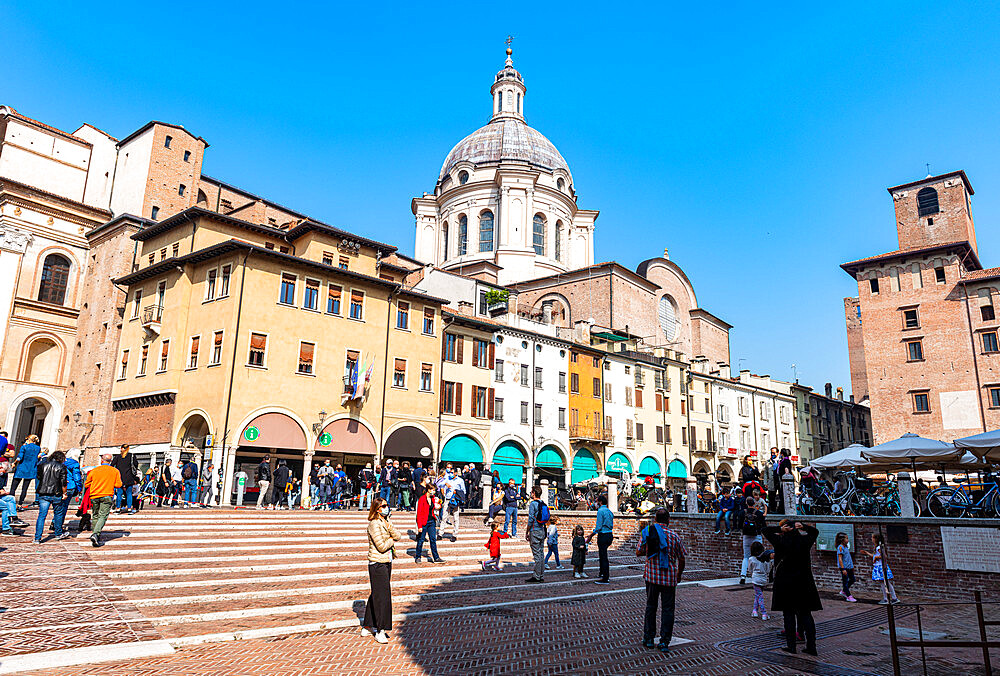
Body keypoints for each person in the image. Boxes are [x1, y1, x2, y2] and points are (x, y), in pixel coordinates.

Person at [763, 519, 821, 655]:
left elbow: (765, 530)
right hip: (803, 582)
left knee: (788, 615)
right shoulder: (805, 541)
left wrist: (780, 530)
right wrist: (804, 526)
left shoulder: (780, 542)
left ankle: (791, 646)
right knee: (806, 615)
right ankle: (811, 646)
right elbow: (815, 532)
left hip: (785, 583)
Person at [636, 507, 686, 652]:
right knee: (668, 609)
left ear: (655, 519)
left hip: (651, 576)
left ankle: (649, 638)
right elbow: (682, 558)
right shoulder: (674, 536)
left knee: (651, 606)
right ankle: (664, 641)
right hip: (669, 578)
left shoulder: (647, 532)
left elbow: (638, 551)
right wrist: (679, 574)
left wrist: (650, 550)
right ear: (669, 520)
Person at [362, 496, 402, 645]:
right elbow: (381, 546)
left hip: (387, 561)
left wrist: (390, 527)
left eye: (387, 505)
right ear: (377, 509)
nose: (386, 508)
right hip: (377, 563)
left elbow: (398, 535)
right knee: (383, 596)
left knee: (377, 594)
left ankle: (367, 624)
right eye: (383, 506)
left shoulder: (385, 522)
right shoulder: (373, 524)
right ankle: (380, 629)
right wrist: (391, 539)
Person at [85, 453, 123, 547]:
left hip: (94, 495)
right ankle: (96, 534)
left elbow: (86, 484)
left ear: (102, 460)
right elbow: (119, 485)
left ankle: (95, 533)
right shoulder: (115, 471)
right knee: (103, 516)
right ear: (110, 461)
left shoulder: (94, 470)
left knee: (95, 515)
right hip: (107, 495)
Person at [33, 450, 68, 543]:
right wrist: (65, 493)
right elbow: (63, 482)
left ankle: (37, 538)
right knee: (58, 514)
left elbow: (39, 477)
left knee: (42, 515)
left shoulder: (42, 465)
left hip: (43, 492)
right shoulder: (62, 467)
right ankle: (58, 533)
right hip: (56, 493)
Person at [860, 533, 899, 605]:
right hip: (879, 566)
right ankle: (893, 597)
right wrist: (867, 553)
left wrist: (876, 557)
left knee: (884, 583)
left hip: (880, 567)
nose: (871, 539)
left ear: (876, 539)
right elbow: (875, 555)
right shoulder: (878, 547)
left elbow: (884, 556)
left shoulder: (879, 548)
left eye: (872, 538)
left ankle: (887, 598)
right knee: (886, 583)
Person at [414, 475, 443, 564]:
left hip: (431, 521)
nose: (434, 492)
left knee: (433, 539)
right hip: (423, 521)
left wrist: (438, 506)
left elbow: (436, 507)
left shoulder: (433, 498)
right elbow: (419, 513)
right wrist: (419, 526)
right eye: (432, 490)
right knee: (421, 540)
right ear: (428, 490)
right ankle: (418, 556)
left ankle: (436, 557)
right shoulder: (422, 499)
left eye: (434, 490)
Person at [55, 448, 83, 534]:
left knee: (58, 506)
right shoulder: (74, 463)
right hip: (69, 486)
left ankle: (54, 522)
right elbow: (77, 477)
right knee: (64, 507)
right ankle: (58, 526)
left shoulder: (60, 461)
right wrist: (79, 488)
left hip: (58, 485)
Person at [587, 494, 614, 584]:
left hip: (603, 534)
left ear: (600, 502)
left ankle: (605, 577)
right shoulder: (609, 511)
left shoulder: (600, 511)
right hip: (609, 534)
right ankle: (602, 573)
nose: (596, 503)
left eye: (597, 501)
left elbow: (598, 527)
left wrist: (591, 535)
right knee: (603, 555)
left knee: (603, 556)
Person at [524, 486, 549, 583]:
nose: (530, 494)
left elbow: (530, 519)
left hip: (535, 530)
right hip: (542, 530)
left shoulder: (533, 504)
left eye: (531, 492)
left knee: (537, 554)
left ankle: (537, 576)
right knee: (541, 553)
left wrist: (527, 531)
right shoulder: (543, 503)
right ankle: (541, 574)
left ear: (534, 493)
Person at [739, 496, 766, 584]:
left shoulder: (742, 513)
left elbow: (739, 525)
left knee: (746, 557)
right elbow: (764, 526)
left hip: (746, 536)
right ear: (754, 503)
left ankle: (743, 576)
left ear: (746, 503)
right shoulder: (759, 513)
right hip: (756, 535)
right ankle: (760, 574)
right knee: (759, 555)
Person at [10, 435, 42, 506]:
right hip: (31, 470)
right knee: (25, 488)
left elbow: (19, 457)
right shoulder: (38, 448)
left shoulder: (24, 447)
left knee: (13, 487)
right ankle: (20, 504)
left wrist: (14, 463)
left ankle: (10, 503)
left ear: (29, 439)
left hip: (21, 468)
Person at [747, 541, 772, 620]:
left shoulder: (751, 559)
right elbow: (768, 570)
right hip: (763, 579)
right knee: (758, 595)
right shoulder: (766, 560)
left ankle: (763, 613)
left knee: (759, 596)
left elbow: (750, 569)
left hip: (755, 579)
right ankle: (754, 611)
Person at [111, 445, 139, 513]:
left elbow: (112, 465)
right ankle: (129, 508)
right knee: (129, 493)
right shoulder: (131, 456)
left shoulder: (117, 457)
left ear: (121, 448)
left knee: (119, 494)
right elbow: (136, 465)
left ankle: (118, 508)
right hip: (129, 477)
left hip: (119, 477)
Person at [835, 532, 857, 603]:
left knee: (853, 579)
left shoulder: (846, 547)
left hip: (849, 567)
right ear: (842, 539)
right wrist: (843, 569)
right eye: (846, 538)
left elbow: (848, 558)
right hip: (844, 567)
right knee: (845, 581)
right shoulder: (840, 547)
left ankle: (844, 591)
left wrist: (852, 566)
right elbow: (840, 559)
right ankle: (848, 596)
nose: (848, 540)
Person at [763, 448, 778, 512]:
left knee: (780, 495)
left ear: (777, 453)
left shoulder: (780, 461)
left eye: (774, 453)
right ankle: (773, 509)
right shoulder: (768, 462)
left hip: (778, 480)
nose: (772, 454)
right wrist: (765, 482)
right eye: (771, 453)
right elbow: (765, 473)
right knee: (771, 496)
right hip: (771, 481)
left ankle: (780, 509)